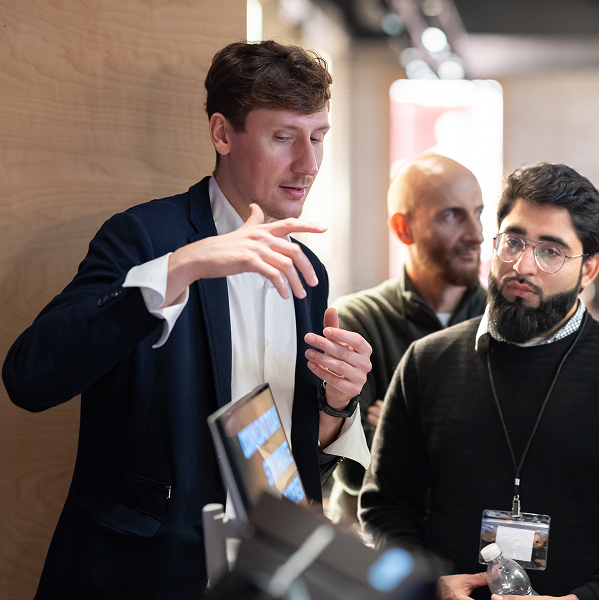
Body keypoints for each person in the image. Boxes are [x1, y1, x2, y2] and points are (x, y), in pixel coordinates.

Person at [2, 40, 371, 600]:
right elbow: (30, 379)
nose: (309, 163)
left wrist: (337, 403)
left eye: (317, 136)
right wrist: (181, 267)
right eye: (283, 137)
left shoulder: (307, 269)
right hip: (141, 575)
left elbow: (283, 450)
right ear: (222, 134)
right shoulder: (144, 237)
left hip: (262, 574)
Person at [359, 162, 599, 600]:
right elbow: (386, 506)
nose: (523, 265)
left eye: (551, 251)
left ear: (590, 269)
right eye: (513, 241)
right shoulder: (428, 362)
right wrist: (427, 586)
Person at [327, 154, 487, 527]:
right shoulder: (357, 320)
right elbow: (353, 472)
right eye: (452, 215)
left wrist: (401, 429)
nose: (477, 234)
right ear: (403, 228)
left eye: (478, 212)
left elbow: (510, 467)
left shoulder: (503, 322)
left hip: (470, 546)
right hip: (371, 545)